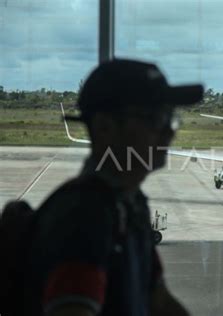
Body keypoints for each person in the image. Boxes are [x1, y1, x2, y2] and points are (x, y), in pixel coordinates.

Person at [24, 59, 203, 316]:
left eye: (170, 118)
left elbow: (159, 301)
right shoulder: (84, 217)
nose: (169, 133)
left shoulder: (129, 203)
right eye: (155, 119)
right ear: (105, 127)